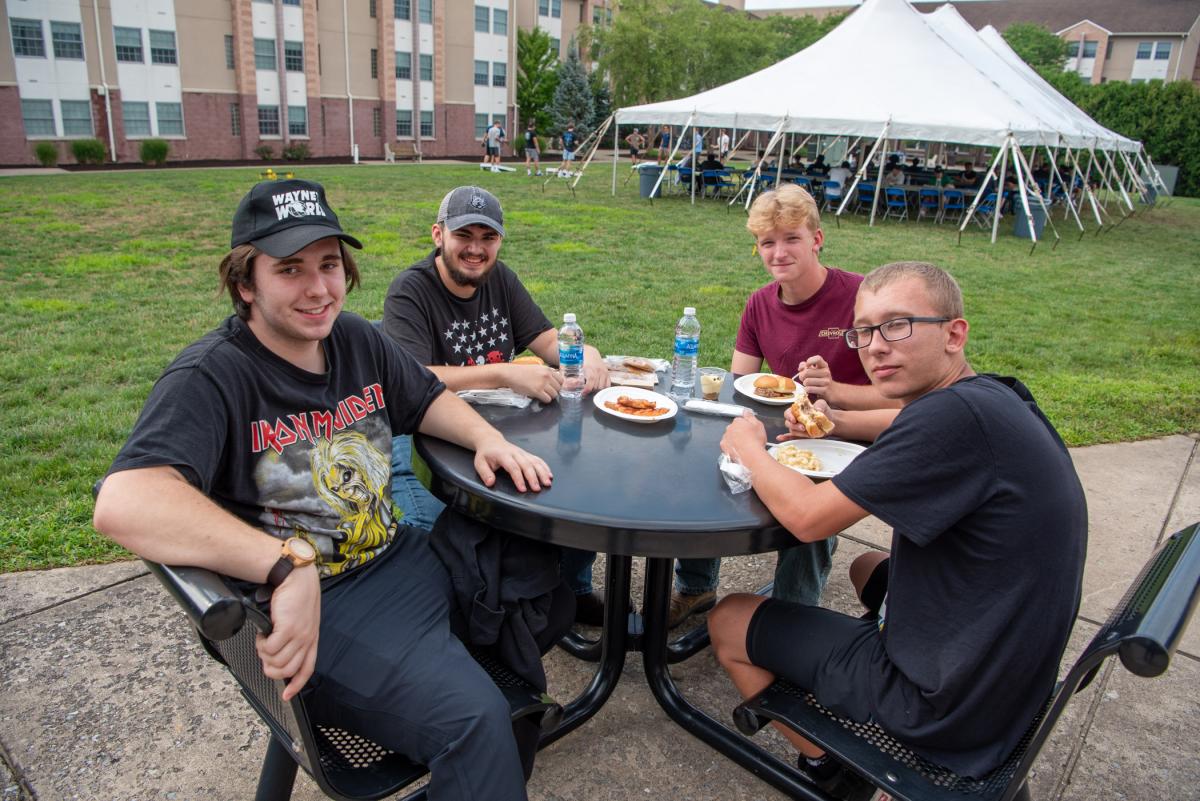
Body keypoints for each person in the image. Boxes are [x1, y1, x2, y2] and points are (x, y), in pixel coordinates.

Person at [92, 179, 564, 801]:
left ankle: (482, 756)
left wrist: (487, 440)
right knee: (474, 722)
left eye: (329, 264)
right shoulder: (214, 376)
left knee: (543, 581)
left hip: (399, 562)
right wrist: (287, 565)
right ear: (245, 283)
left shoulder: (354, 339)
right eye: (290, 269)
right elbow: (124, 501)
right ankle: (475, 750)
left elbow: (422, 400)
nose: (318, 289)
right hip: (324, 613)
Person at [710, 261, 1086, 794]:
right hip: (1008, 667)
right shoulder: (990, 398)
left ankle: (833, 771)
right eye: (863, 330)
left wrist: (749, 448)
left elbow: (808, 520)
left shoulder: (948, 422)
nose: (874, 346)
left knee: (729, 619)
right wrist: (834, 422)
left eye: (898, 325)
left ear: (954, 333)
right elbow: (901, 423)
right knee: (867, 566)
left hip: (948, 702)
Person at [382, 185, 613, 627]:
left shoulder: (500, 278)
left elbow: (545, 339)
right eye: (463, 235)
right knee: (447, 536)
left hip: (500, 429)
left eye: (487, 238)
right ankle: (460, 626)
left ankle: (569, 591)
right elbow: (408, 382)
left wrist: (587, 353)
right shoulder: (410, 291)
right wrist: (504, 372)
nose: (475, 248)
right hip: (420, 438)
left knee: (575, 481)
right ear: (438, 235)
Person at [669, 185, 898, 629]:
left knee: (808, 500)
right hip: (785, 429)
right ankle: (696, 585)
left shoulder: (860, 298)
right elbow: (741, 384)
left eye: (791, 238)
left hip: (849, 440)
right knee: (713, 457)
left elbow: (899, 398)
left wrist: (835, 393)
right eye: (767, 242)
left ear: (817, 239)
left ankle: (795, 614)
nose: (779, 252)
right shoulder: (759, 303)